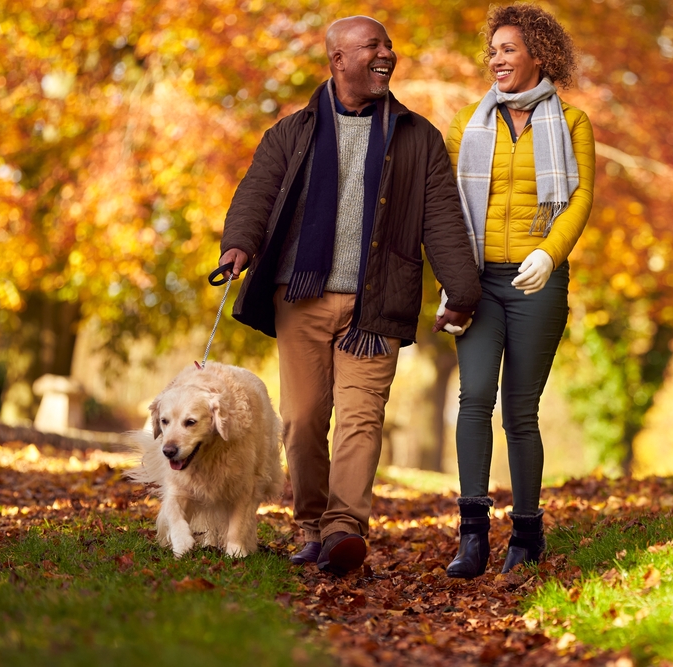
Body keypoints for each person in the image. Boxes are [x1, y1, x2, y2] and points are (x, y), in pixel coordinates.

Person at [219, 16, 482, 576]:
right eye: (373, 46)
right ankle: (310, 524)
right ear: (339, 61)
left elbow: (441, 218)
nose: (387, 53)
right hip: (303, 296)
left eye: (389, 44)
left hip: (377, 303)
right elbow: (256, 192)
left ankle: (344, 529)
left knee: (362, 419)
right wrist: (237, 246)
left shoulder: (418, 137)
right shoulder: (292, 132)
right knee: (304, 417)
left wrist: (461, 288)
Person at [443, 5, 596, 578]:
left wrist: (548, 253)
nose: (496, 59)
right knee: (474, 397)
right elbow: (449, 208)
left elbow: (580, 197)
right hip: (479, 281)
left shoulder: (573, 122)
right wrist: (454, 281)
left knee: (520, 412)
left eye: (508, 49)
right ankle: (472, 535)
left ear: (539, 54)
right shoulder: (467, 123)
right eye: (493, 50)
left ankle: (527, 532)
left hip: (537, 281)